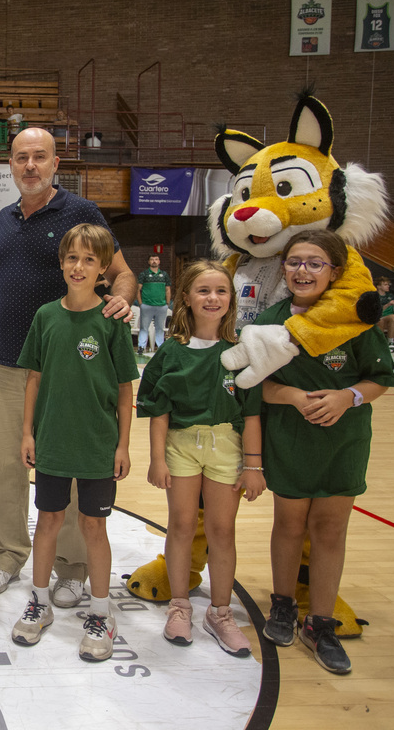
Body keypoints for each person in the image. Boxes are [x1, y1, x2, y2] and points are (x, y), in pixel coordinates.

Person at [0, 127, 135, 602]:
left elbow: (123, 273)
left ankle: (72, 565)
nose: (30, 166)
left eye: (40, 157)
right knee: (7, 464)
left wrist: (123, 301)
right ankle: (7, 554)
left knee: (69, 467)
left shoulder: (81, 212)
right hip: (10, 362)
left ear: (55, 163)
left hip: (71, 369)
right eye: (21, 157)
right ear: (10, 165)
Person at [258, 229, 394, 675]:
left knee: (331, 530)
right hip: (291, 440)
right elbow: (259, 386)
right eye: (295, 262)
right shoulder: (272, 323)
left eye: (314, 263)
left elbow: (381, 378)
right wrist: (295, 397)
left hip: (343, 443)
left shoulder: (355, 319)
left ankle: (320, 623)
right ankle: (282, 606)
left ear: (334, 271)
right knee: (289, 525)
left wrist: (347, 397)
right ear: (284, 268)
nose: (303, 270)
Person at [10, 223, 136, 662]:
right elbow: (33, 378)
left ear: (103, 268)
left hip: (99, 444)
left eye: (88, 260)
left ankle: (102, 613)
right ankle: (39, 602)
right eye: (71, 258)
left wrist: (122, 445)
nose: (78, 267)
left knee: (92, 527)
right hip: (53, 443)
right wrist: (28, 432)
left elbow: (124, 389)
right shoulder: (46, 315)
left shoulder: (112, 319)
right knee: (47, 522)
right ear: (61, 263)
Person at [136, 261, 265, 654]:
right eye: (204, 291)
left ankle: (220, 613)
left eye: (221, 291)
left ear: (231, 299)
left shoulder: (241, 351)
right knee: (182, 523)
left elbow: (252, 412)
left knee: (223, 531)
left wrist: (254, 465)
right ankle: (180, 607)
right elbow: (159, 411)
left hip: (227, 446)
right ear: (187, 298)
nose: (213, 298)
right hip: (181, 445)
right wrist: (157, 459)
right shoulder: (172, 352)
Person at [137, 254, 171, 353]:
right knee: (144, 328)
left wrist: (167, 303)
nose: (154, 261)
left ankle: (160, 347)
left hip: (161, 306)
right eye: (152, 259)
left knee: (160, 328)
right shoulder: (144, 274)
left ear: (159, 261)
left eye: (156, 259)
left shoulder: (164, 275)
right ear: (149, 262)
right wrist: (140, 304)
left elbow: (168, 289)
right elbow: (138, 290)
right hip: (147, 305)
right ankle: (141, 347)